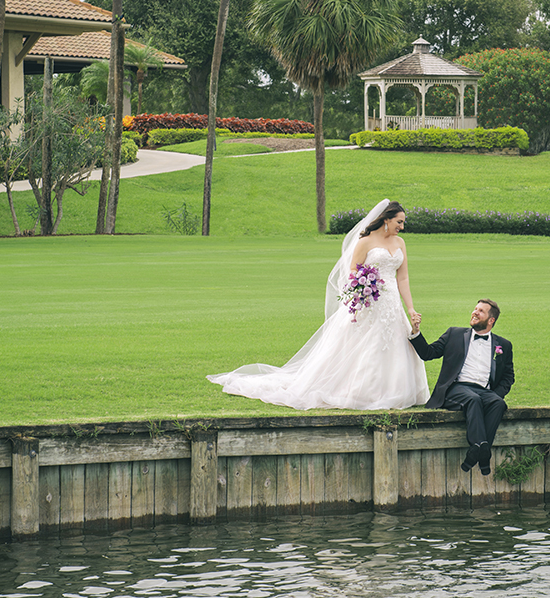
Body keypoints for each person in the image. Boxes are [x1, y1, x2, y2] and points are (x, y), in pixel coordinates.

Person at [207, 199, 430, 410]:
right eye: (399, 221)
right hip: (368, 302)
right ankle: (363, 392)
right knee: (367, 346)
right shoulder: (366, 241)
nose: (402, 226)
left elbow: (403, 278)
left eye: (403, 222)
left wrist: (410, 308)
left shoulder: (400, 243)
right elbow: (353, 269)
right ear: (386, 220)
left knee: (395, 344)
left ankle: (393, 391)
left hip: (392, 303)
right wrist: (365, 285)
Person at [408, 299, 514, 475]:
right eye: (475, 309)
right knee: (473, 400)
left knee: (498, 403)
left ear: (491, 320)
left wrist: (495, 394)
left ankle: (477, 450)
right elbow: (428, 353)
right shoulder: (454, 334)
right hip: (456, 388)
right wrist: (416, 331)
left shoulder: (503, 345)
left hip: (484, 390)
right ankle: (482, 451)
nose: (475, 312)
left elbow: (508, 377)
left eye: (481, 311)